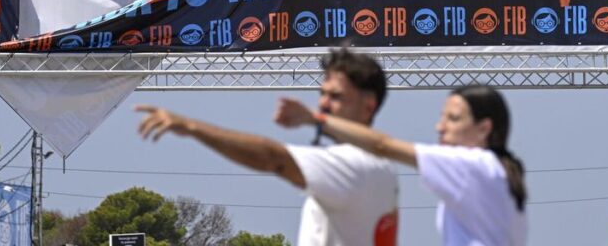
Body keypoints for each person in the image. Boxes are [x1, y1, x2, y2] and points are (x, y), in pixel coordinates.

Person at [137, 48, 398, 246]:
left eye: (337, 97)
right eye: (323, 94)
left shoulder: (354, 163)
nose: (324, 105)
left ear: (368, 105)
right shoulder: (380, 166)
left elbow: (274, 159)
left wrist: (192, 127)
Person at [277, 84, 528, 246]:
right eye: (442, 117)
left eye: (453, 119)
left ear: (484, 128)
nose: (439, 127)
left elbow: (383, 145)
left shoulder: (473, 165)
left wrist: (317, 120)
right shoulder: (497, 171)